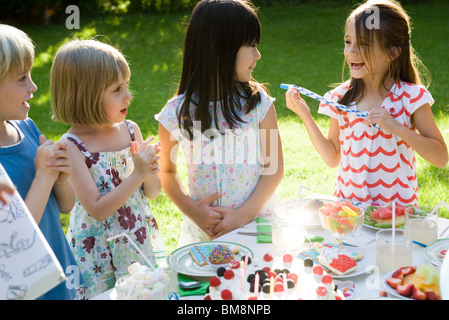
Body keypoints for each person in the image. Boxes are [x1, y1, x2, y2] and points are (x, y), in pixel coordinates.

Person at [285, 0, 448, 207]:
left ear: (393, 52)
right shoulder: (340, 98)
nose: (351, 51)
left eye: (363, 44)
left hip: (395, 219)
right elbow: (332, 157)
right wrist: (305, 115)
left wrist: (397, 127)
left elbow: (441, 158)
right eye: (347, 42)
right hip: (348, 213)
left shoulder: (411, 97)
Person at [156, 0, 284, 246]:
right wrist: (192, 210)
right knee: (209, 284)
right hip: (206, 232)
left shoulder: (258, 104)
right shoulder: (175, 113)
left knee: (259, 281)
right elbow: (167, 172)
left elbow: (274, 170)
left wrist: (241, 216)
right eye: (251, 45)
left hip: (258, 225)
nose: (258, 54)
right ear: (219, 48)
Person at [50, 39, 166, 299]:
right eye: (117, 89)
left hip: (136, 238)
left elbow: (153, 192)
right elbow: (98, 209)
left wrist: (150, 169)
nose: (129, 96)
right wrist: (138, 173)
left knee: (143, 292)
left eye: (126, 86)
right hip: (96, 250)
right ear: (86, 95)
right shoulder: (71, 146)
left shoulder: (130, 130)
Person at [0, 24, 80, 299]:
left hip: (60, 275)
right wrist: (44, 177)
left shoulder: (28, 128)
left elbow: (66, 206)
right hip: (26, 290)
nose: (33, 86)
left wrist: (61, 179)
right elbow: (15, 240)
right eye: (22, 78)